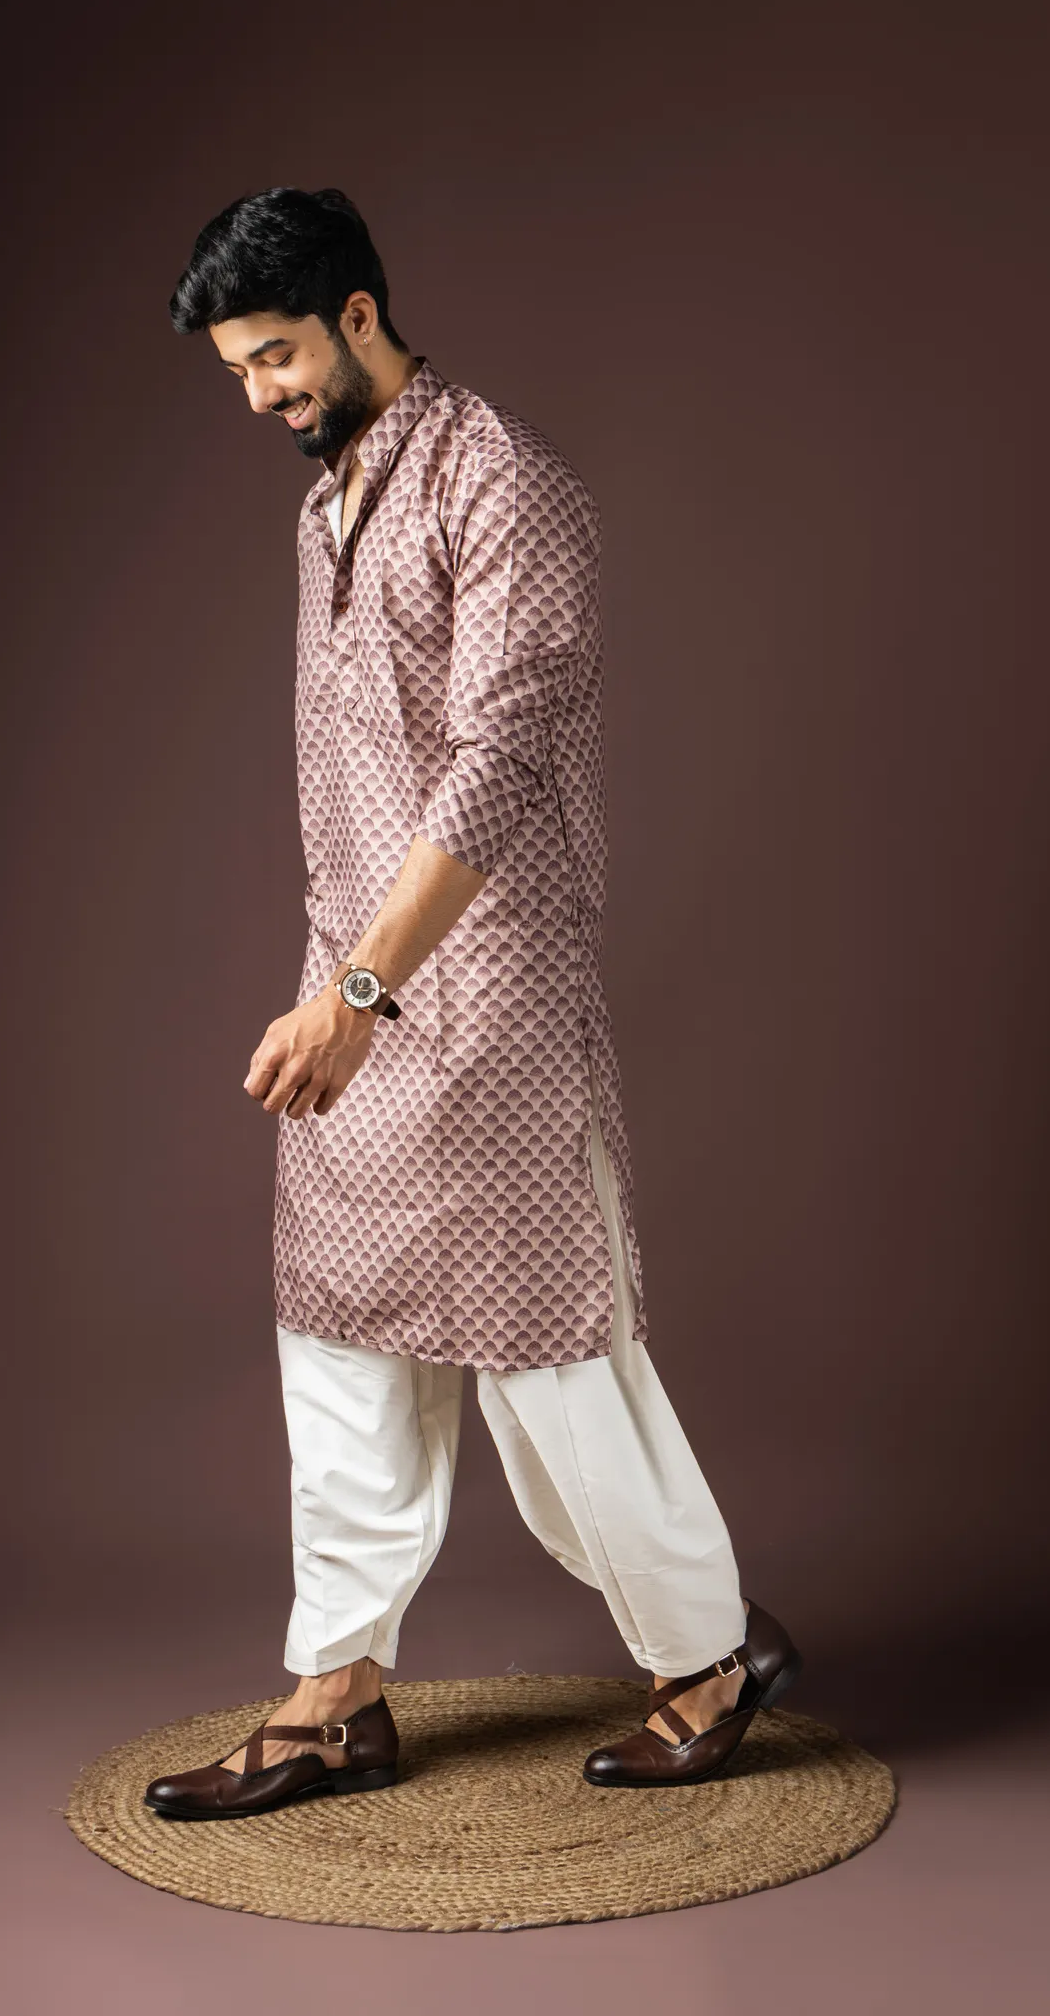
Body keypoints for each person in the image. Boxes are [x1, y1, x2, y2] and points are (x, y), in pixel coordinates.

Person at [144, 187, 801, 1822]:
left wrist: (364, 991)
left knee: (550, 1358)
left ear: (359, 315)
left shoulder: (507, 485)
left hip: (488, 996)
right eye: (237, 370)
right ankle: (334, 1694)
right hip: (351, 984)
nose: (260, 396)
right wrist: (340, 986)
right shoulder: (330, 504)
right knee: (333, 1332)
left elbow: (500, 762)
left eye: (277, 356)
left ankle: (709, 1656)